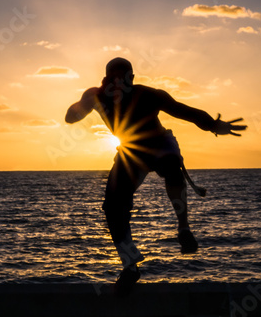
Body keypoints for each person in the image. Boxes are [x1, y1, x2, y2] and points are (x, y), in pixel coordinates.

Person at [65, 57, 246, 295]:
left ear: (132, 78)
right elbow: (70, 118)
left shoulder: (149, 95)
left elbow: (186, 112)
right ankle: (130, 267)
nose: (119, 80)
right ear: (107, 78)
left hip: (160, 143)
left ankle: (183, 228)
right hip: (131, 151)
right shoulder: (98, 95)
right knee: (112, 206)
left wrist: (213, 125)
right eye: (114, 76)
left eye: (124, 75)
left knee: (171, 165)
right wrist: (87, 102)